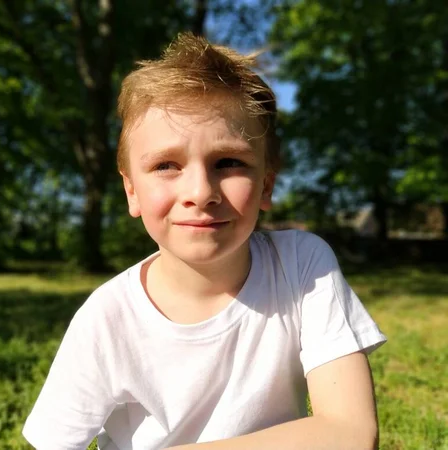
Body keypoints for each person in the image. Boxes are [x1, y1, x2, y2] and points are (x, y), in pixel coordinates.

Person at [22, 32, 387, 450]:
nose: (201, 190)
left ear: (266, 185)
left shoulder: (302, 266)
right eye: (165, 165)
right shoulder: (106, 319)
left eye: (228, 162)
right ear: (132, 192)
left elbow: (351, 433)